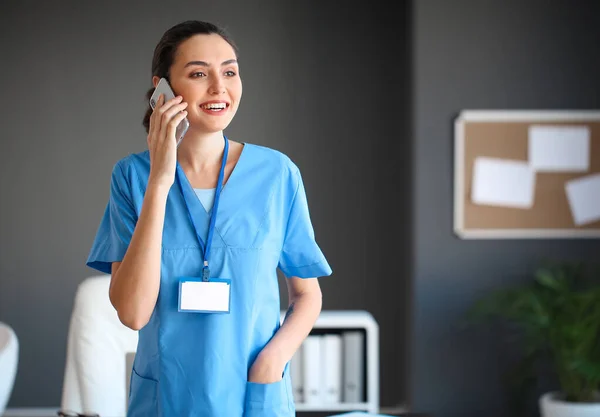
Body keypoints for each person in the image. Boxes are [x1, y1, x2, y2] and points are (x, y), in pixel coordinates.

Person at [85, 20, 332, 417]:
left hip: (255, 394)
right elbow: (132, 313)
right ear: (162, 89)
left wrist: (271, 363)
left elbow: (307, 294)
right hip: (166, 398)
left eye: (229, 72)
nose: (219, 87)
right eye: (199, 73)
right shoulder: (132, 177)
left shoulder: (277, 174)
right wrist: (160, 182)